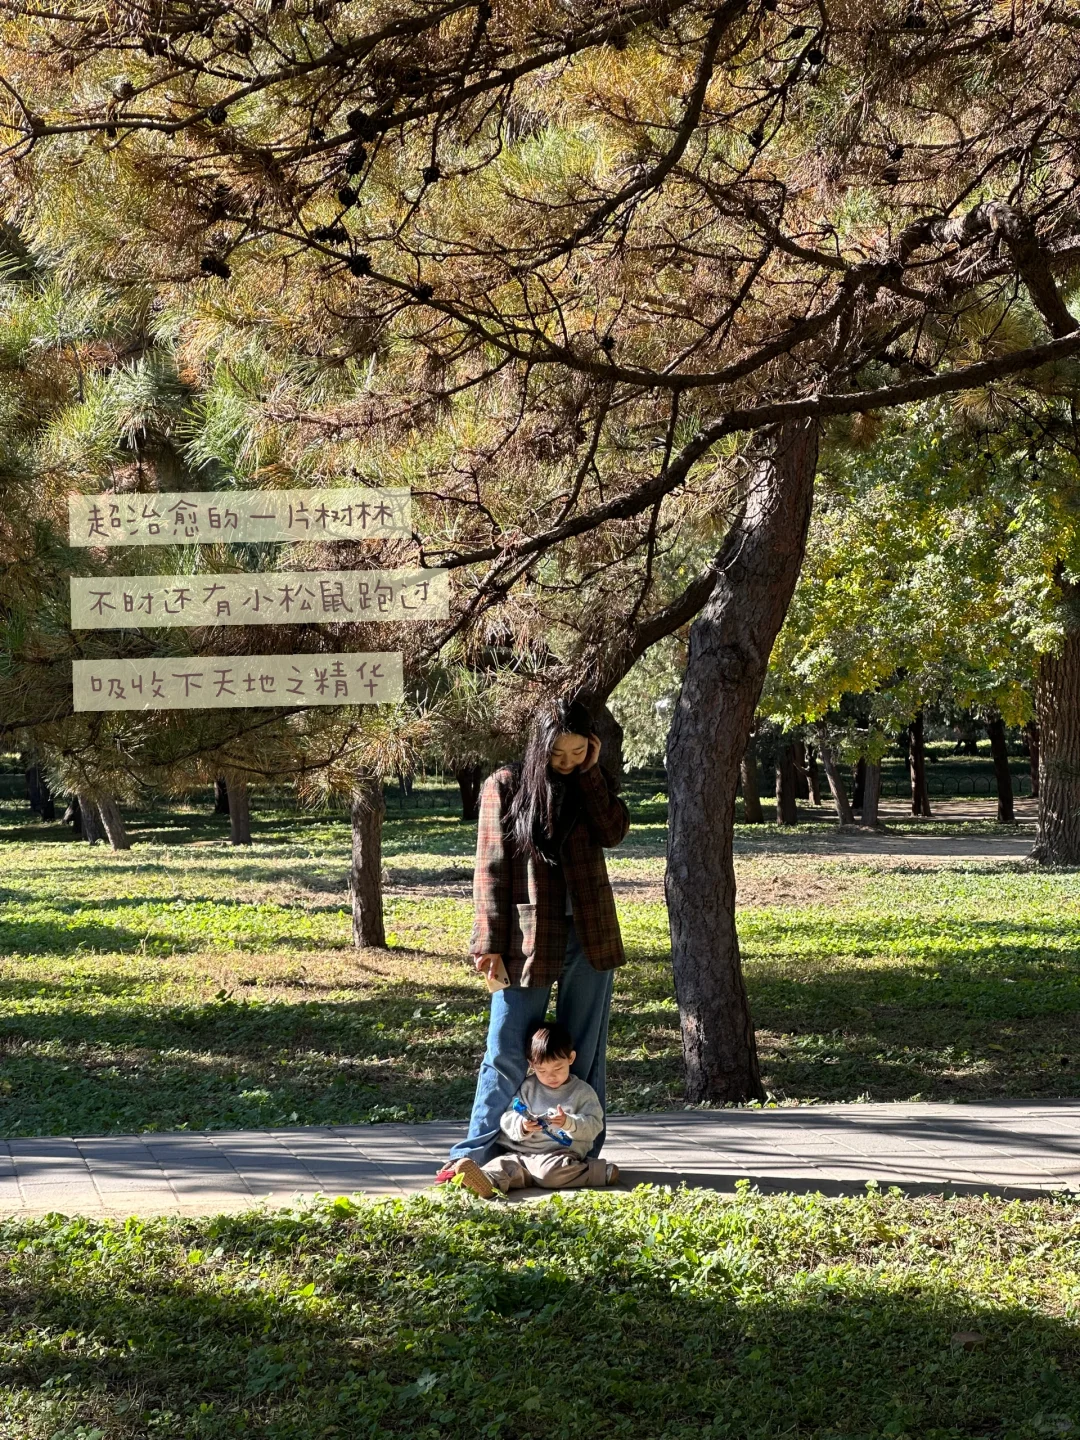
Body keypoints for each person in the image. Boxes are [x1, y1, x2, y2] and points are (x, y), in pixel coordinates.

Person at [435, 695, 630, 1183]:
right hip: (526, 938)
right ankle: (473, 1154)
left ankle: (583, 1150)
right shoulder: (506, 785)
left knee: (585, 1048)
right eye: (557, 755)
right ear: (538, 746)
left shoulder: (591, 781)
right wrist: (487, 945)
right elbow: (491, 868)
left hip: (591, 936)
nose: (565, 763)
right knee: (505, 1048)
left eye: (576, 753)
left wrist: (589, 774)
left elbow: (614, 831)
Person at [451, 1021, 620, 1197]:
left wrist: (569, 1123)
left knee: (550, 1174)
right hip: (522, 1153)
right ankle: (486, 1181)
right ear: (532, 1064)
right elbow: (508, 1116)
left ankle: (597, 1172)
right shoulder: (528, 1087)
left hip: (558, 1154)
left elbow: (594, 1125)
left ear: (571, 1058)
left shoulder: (582, 1091)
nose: (551, 1076)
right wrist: (523, 1125)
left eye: (558, 1068)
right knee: (503, 1165)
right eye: (542, 1070)